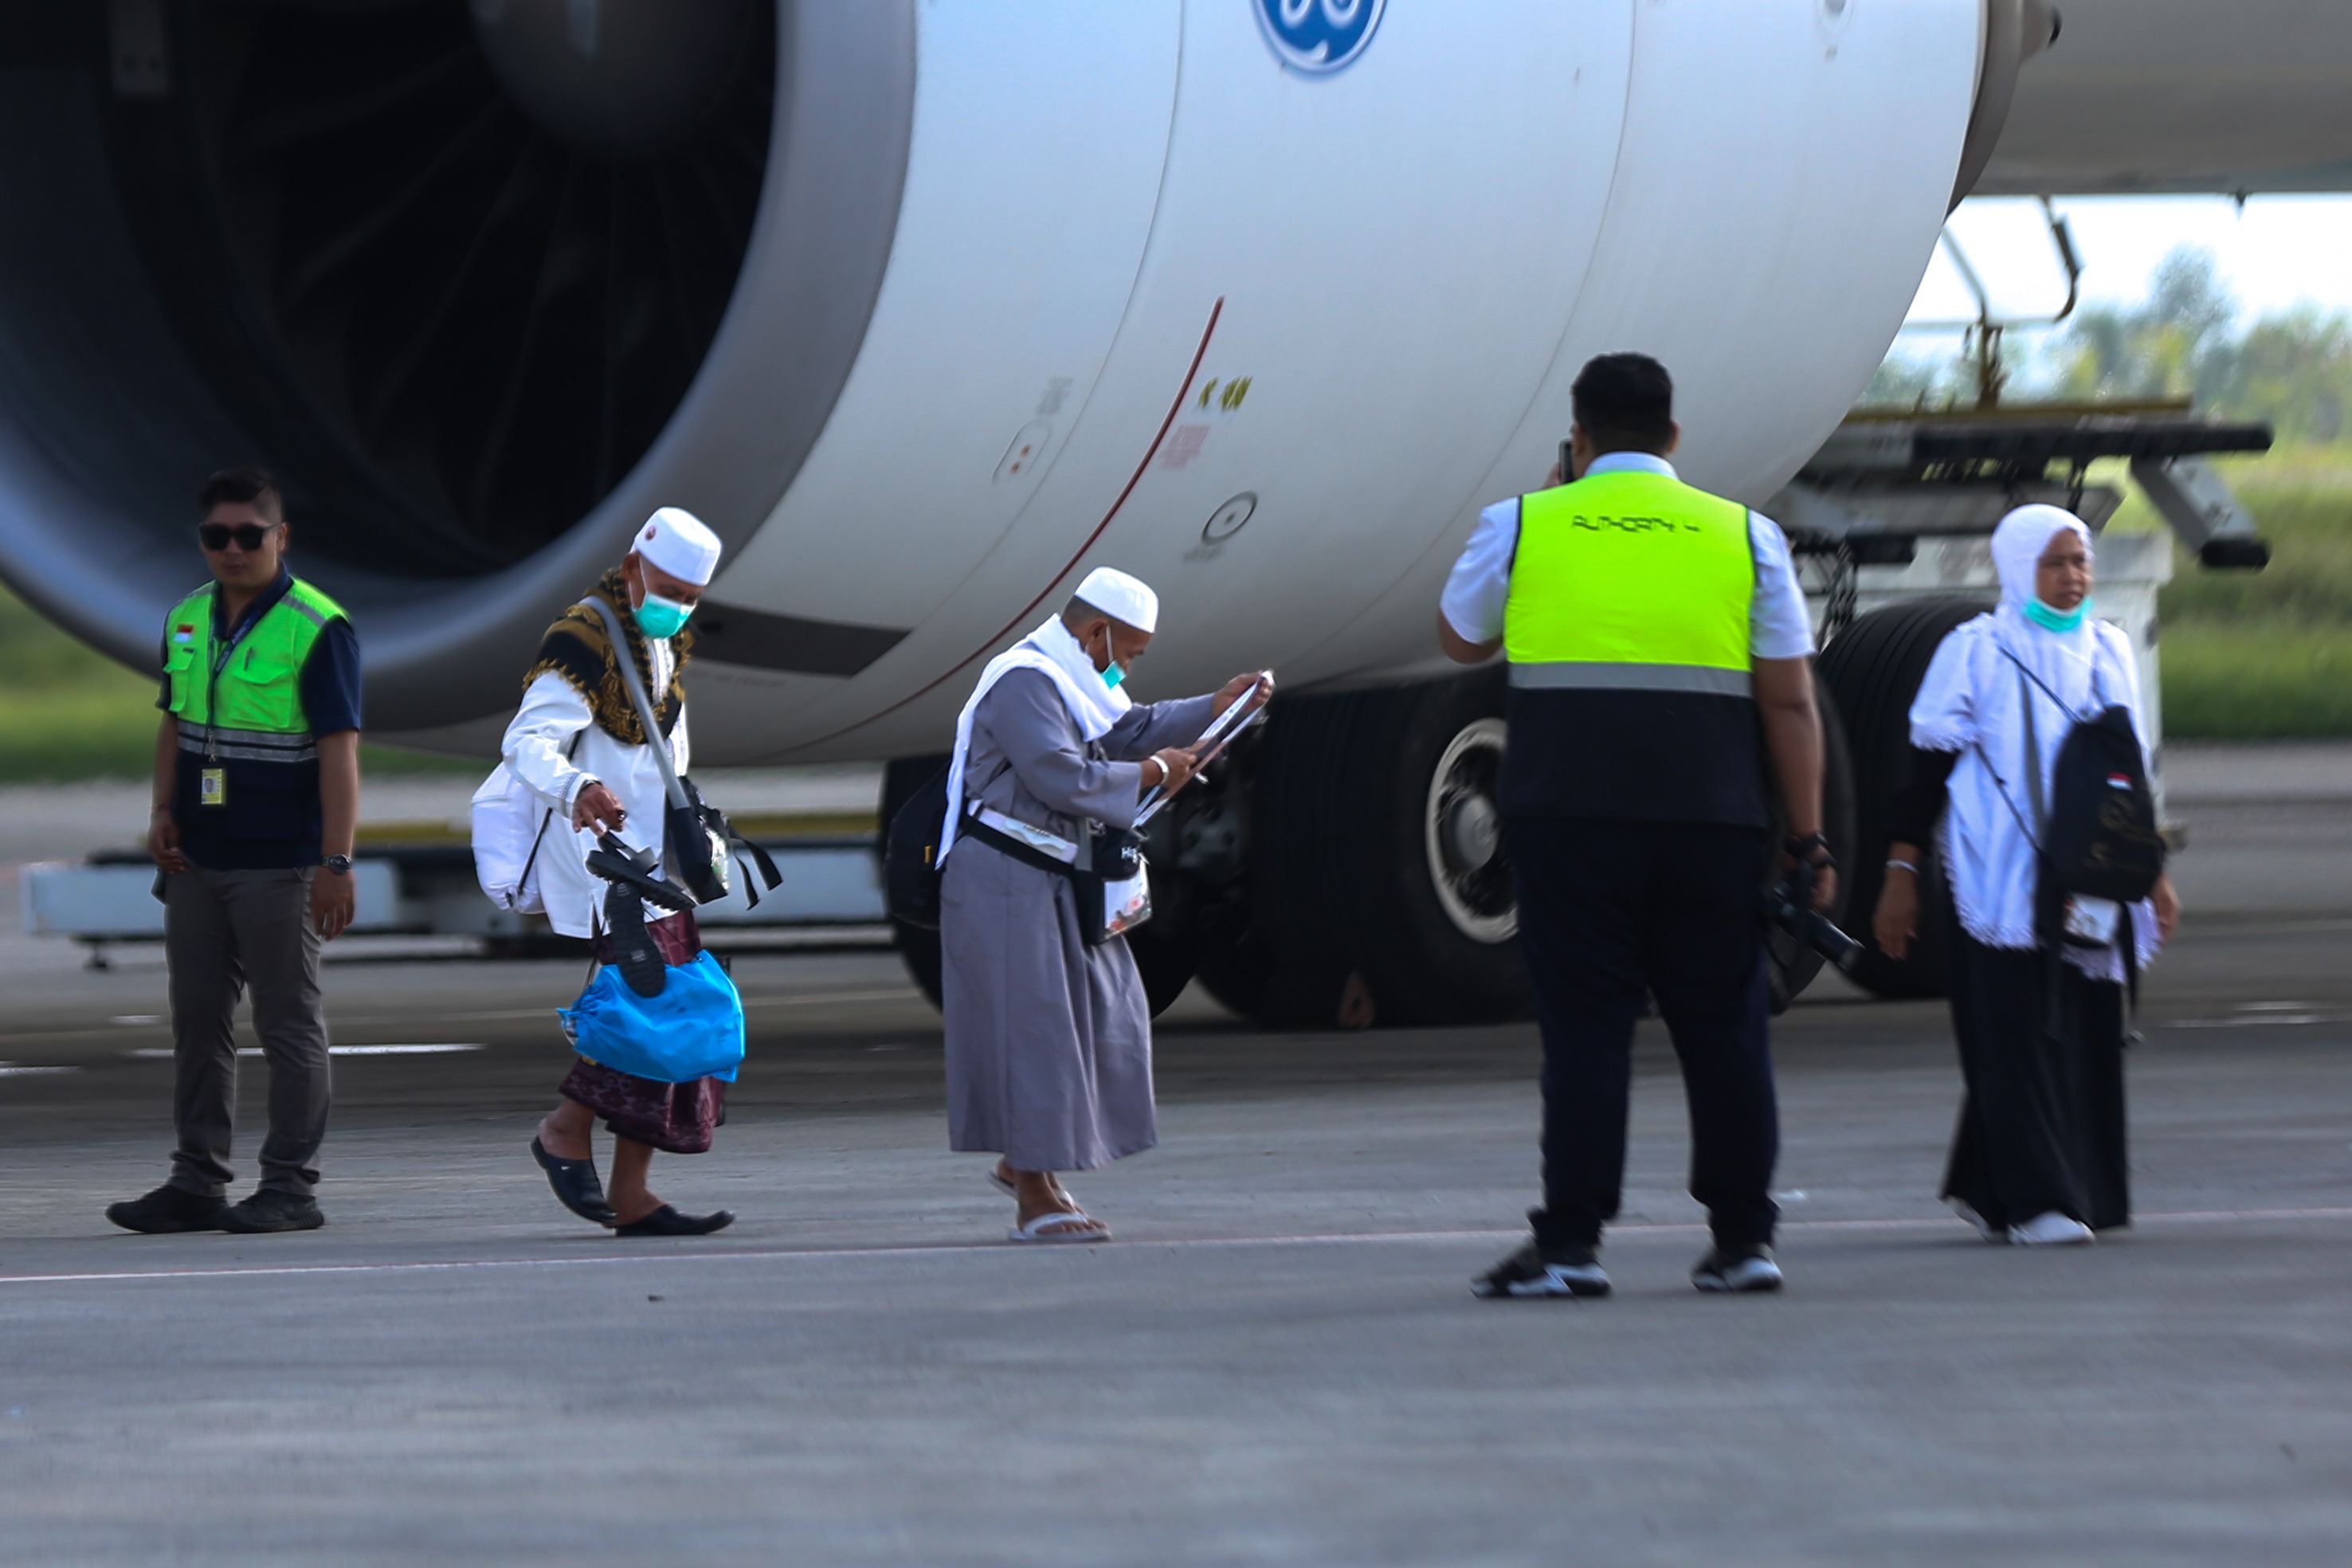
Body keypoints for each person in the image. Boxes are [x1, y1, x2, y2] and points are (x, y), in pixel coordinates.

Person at [1437, 353, 1833, 1298]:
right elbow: (1789, 705)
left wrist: (1547, 500)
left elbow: (1461, 636)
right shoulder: (1743, 536)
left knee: (1586, 1033)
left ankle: (1571, 1245)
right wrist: (1808, 839)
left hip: (1568, 824)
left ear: (1577, 438)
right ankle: (1744, 1242)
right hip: (1712, 822)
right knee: (1726, 1030)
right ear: (1675, 438)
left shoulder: (1526, 524)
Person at [1872, 504, 2180, 1246]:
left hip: (2094, 874)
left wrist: (2152, 870)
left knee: (2080, 1027)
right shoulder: (1974, 651)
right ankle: (2039, 1199)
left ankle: (2013, 1187)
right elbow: (1925, 775)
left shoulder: (2109, 649)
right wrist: (1901, 873)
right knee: (2014, 1031)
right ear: (2016, 569)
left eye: (2081, 562)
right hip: (2001, 876)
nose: (2073, 578)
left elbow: (2128, 774)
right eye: (2055, 563)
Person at [938, 567, 1271, 1242]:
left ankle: (1028, 1162)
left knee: (1100, 1015)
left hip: (1057, 878)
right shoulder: (1025, 681)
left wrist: (1217, 707)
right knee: (1035, 1032)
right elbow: (1063, 776)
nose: (1126, 668)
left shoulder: (1071, 678)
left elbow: (1130, 728)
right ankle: (1033, 1191)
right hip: (1006, 879)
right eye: (1128, 653)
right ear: (1096, 633)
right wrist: (1155, 773)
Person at [107, 468, 362, 1237]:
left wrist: (336, 861)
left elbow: (340, 751)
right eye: (216, 536)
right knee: (198, 1024)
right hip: (198, 859)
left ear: (281, 538)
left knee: (288, 1026)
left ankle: (291, 1185)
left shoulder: (318, 627)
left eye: (249, 535)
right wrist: (160, 809)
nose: (232, 549)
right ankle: (197, 1181)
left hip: (279, 863)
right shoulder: (185, 619)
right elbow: (173, 725)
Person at [500, 508, 737, 1237]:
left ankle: (611, 1170)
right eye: (668, 588)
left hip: (658, 869)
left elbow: (667, 755)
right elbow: (527, 741)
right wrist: (577, 788)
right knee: (656, 1015)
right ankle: (576, 1141)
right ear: (633, 567)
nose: (679, 606)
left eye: (692, 596)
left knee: (666, 1018)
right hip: (609, 868)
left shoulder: (664, 644)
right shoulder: (584, 639)